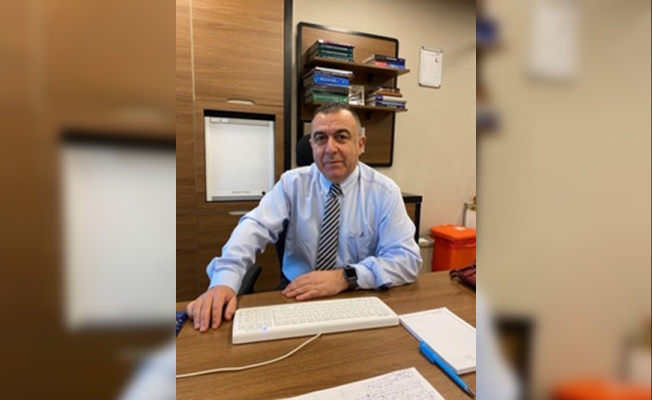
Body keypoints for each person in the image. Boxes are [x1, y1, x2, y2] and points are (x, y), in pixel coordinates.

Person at [187, 103, 422, 332]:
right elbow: (253, 228)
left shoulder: (384, 192)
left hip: (358, 295)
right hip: (297, 294)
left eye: (341, 137)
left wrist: (344, 277)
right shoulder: (292, 184)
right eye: (321, 138)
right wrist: (224, 281)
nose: (330, 149)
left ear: (360, 144)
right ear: (312, 146)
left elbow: (407, 260)